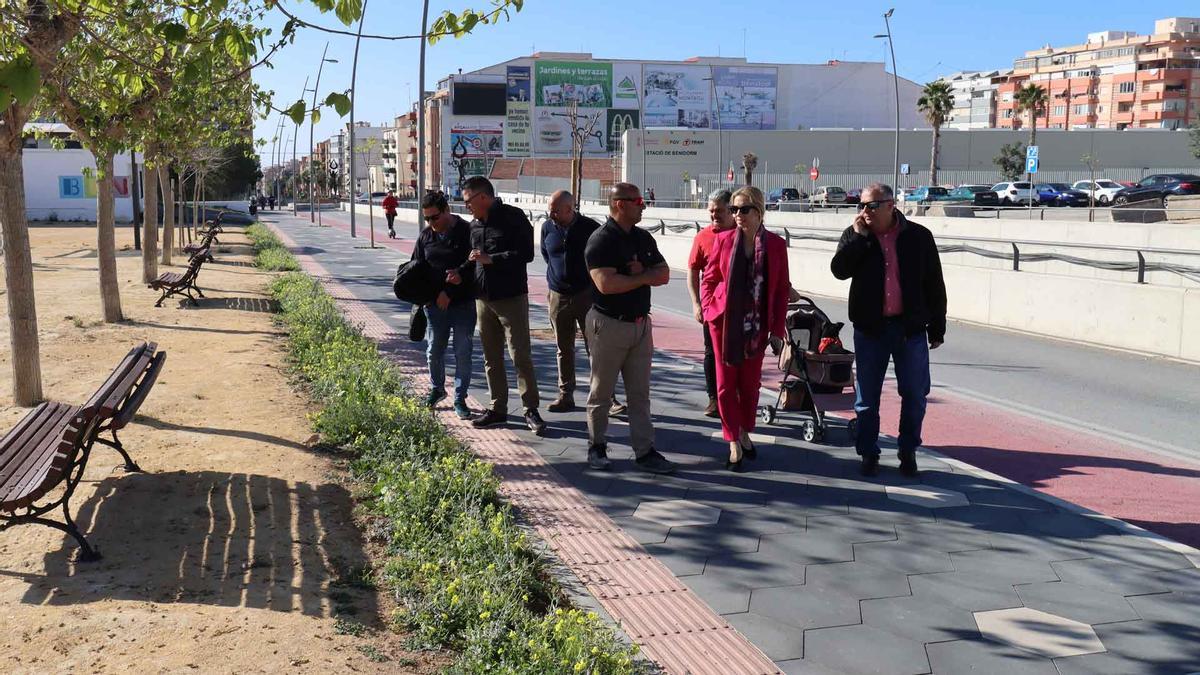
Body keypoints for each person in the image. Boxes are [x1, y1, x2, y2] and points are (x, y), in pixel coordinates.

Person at [830, 183, 946, 478]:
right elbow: (839, 270)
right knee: (867, 398)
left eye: (872, 205)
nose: (865, 211)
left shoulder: (918, 237)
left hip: (910, 330)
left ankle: (908, 451)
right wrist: (858, 238)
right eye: (862, 206)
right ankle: (868, 452)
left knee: (915, 394)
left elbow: (934, 282)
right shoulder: (855, 234)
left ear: (891, 205)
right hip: (871, 330)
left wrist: (937, 325)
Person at [583, 183, 677, 474]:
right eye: (638, 201)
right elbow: (606, 285)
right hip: (608, 325)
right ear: (620, 204)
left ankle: (645, 451)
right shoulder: (601, 240)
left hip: (640, 326)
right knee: (601, 392)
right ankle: (596, 447)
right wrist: (641, 277)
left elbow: (664, 275)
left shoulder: (643, 238)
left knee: (640, 394)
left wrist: (641, 275)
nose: (643, 206)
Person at [700, 186, 790, 472]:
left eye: (743, 209)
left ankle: (744, 430)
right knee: (726, 384)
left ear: (759, 212)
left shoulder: (775, 245)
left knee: (750, 385)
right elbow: (709, 278)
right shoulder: (724, 241)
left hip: (757, 325)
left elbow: (780, 290)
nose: (737, 215)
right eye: (734, 210)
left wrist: (777, 329)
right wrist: (707, 306)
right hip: (724, 323)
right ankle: (733, 441)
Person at [447, 176, 545, 434]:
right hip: (483, 299)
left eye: (468, 201)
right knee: (491, 358)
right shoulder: (474, 226)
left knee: (520, 355)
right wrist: (460, 271)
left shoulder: (513, 217)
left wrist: (494, 259)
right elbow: (474, 259)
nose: (465, 206)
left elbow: (526, 254)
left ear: (483, 197)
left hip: (511, 298)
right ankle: (497, 408)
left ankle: (530, 409)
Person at [541, 190, 627, 416]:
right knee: (563, 347)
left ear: (570, 209)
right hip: (558, 296)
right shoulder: (547, 228)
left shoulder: (591, 228)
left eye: (555, 211)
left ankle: (607, 397)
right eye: (549, 210)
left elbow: (605, 258)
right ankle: (565, 395)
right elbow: (547, 255)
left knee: (597, 349)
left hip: (586, 295)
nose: (551, 215)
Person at [414, 191, 475, 419]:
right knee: (433, 351)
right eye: (427, 219)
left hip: (463, 305)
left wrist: (452, 290)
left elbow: (475, 267)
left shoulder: (467, 232)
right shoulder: (425, 237)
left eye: (435, 217)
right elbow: (416, 270)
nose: (431, 223)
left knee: (463, 352)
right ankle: (437, 389)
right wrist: (436, 294)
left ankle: (460, 398)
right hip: (434, 306)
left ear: (447, 210)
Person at [688, 188, 735, 417]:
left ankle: (735, 395)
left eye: (719, 211)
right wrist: (697, 304)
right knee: (711, 352)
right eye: (711, 212)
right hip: (711, 307)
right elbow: (693, 271)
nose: (714, 216)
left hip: (738, 306)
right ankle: (713, 399)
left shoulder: (743, 233)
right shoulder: (703, 236)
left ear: (731, 211)